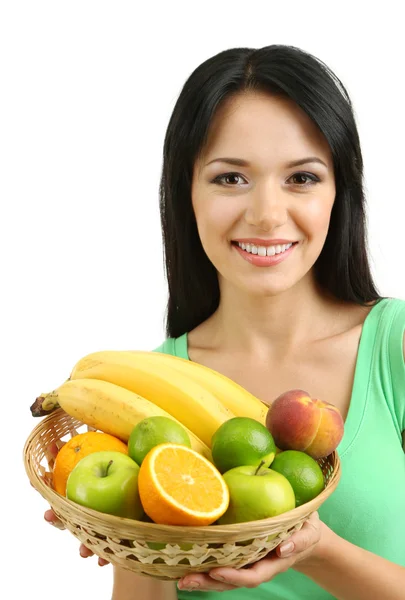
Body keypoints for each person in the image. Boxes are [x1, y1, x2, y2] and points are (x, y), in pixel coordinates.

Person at [44, 44, 405, 599]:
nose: (265, 213)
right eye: (230, 178)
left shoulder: (395, 348)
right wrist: (130, 538)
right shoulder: (143, 395)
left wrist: (319, 553)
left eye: (302, 178)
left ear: (340, 192)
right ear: (186, 192)